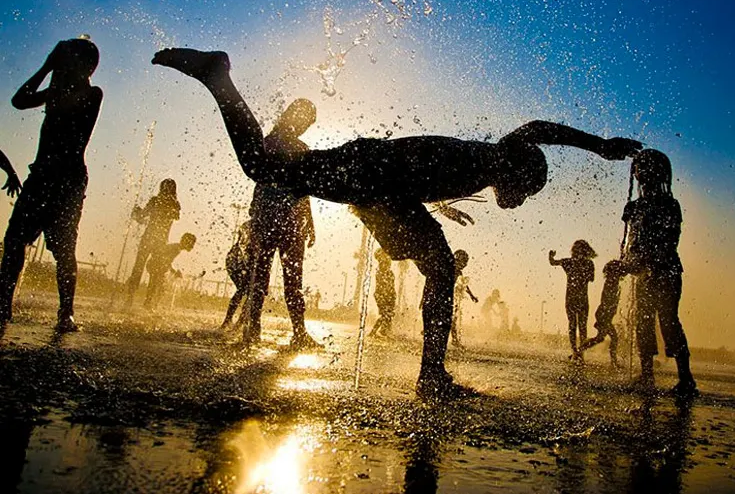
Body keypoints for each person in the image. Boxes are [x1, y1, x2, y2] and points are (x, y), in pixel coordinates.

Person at [151, 47, 641, 397]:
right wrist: (600, 147)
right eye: (528, 189)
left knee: (439, 266)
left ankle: (431, 373)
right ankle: (218, 77)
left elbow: (427, 169)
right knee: (264, 168)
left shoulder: (483, 164)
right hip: (372, 175)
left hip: (383, 183)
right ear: (522, 171)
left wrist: (437, 210)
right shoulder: (500, 155)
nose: (519, 199)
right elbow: (540, 128)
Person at [0, 38, 103, 333]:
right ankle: (3, 303)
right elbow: (18, 101)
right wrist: (46, 66)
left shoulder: (92, 93)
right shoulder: (56, 91)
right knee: (15, 241)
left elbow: (68, 99)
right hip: (41, 175)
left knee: (63, 248)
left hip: (67, 181)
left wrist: (53, 70)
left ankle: (66, 311)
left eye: (67, 57)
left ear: (84, 65)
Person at [618, 149, 696, 397]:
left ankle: (686, 378)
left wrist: (637, 264)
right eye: (639, 168)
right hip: (644, 274)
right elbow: (630, 245)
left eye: (648, 167)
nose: (642, 172)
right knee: (642, 321)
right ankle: (647, 374)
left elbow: (668, 243)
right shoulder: (635, 206)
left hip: (666, 271)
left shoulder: (670, 205)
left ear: (661, 173)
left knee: (669, 322)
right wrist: (624, 265)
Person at [241, 98, 318, 350]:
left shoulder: (274, 143)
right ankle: (287, 331)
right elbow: (261, 181)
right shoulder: (274, 143)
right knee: (279, 279)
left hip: (280, 221)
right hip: (280, 222)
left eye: (308, 123)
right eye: (305, 120)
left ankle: (259, 330)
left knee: (267, 278)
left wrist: (310, 222)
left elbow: (302, 189)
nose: (306, 126)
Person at [124, 179, 181, 308]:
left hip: (148, 239)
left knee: (138, 267)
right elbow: (174, 216)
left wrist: (136, 213)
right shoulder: (175, 204)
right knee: (156, 272)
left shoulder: (155, 201)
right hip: (161, 242)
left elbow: (142, 217)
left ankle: (130, 299)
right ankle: (148, 302)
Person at [549, 239, 597, 361]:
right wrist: (551, 257)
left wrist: (551, 257)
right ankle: (577, 352)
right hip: (579, 299)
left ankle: (577, 352)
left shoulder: (572, 262)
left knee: (575, 325)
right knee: (579, 326)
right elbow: (553, 262)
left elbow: (553, 262)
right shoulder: (584, 263)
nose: (575, 252)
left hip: (574, 298)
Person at [579, 258, 624, 368]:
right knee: (613, 338)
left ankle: (578, 352)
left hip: (604, 314)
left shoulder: (613, 281)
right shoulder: (611, 282)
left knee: (600, 338)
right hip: (604, 314)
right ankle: (613, 362)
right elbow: (608, 300)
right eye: (618, 270)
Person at [144, 233, 196, 311]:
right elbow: (165, 261)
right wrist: (174, 271)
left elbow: (166, 261)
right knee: (157, 285)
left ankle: (151, 304)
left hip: (155, 264)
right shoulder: (176, 249)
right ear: (187, 242)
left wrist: (173, 271)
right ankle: (150, 304)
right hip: (155, 264)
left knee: (157, 285)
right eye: (192, 244)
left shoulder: (176, 248)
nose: (192, 247)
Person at [221, 220, 253, 329]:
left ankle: (233, 321)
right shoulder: (251, 226)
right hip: (237, 260)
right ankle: (234, 322)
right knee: (246, 290)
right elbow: (243, 247)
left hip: (234, 259)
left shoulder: (248, 225)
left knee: (246, 291)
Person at [450, 249, 479, 349]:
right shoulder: (448, 267)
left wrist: (472, 296)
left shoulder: (459, 272)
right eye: (464, 262)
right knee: (446, 317)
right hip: (443, 294)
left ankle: (454, 340)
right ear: (457, 259)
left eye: (465, 263)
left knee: (453, 318)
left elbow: (464, 285)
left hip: (451, 297)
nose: (465, 265)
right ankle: (428, 330)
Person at [370, 248, 396, 337]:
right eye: (384, 262)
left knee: (388, 315)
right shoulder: (380, 273)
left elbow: (392, 286)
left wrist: (393, 297)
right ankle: (373, 332)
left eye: (388, 262)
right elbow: (382, 286)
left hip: (389, 295)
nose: (388, 264)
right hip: (381, 295)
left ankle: (384, 331)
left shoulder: (390, 273)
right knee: (385, 314)